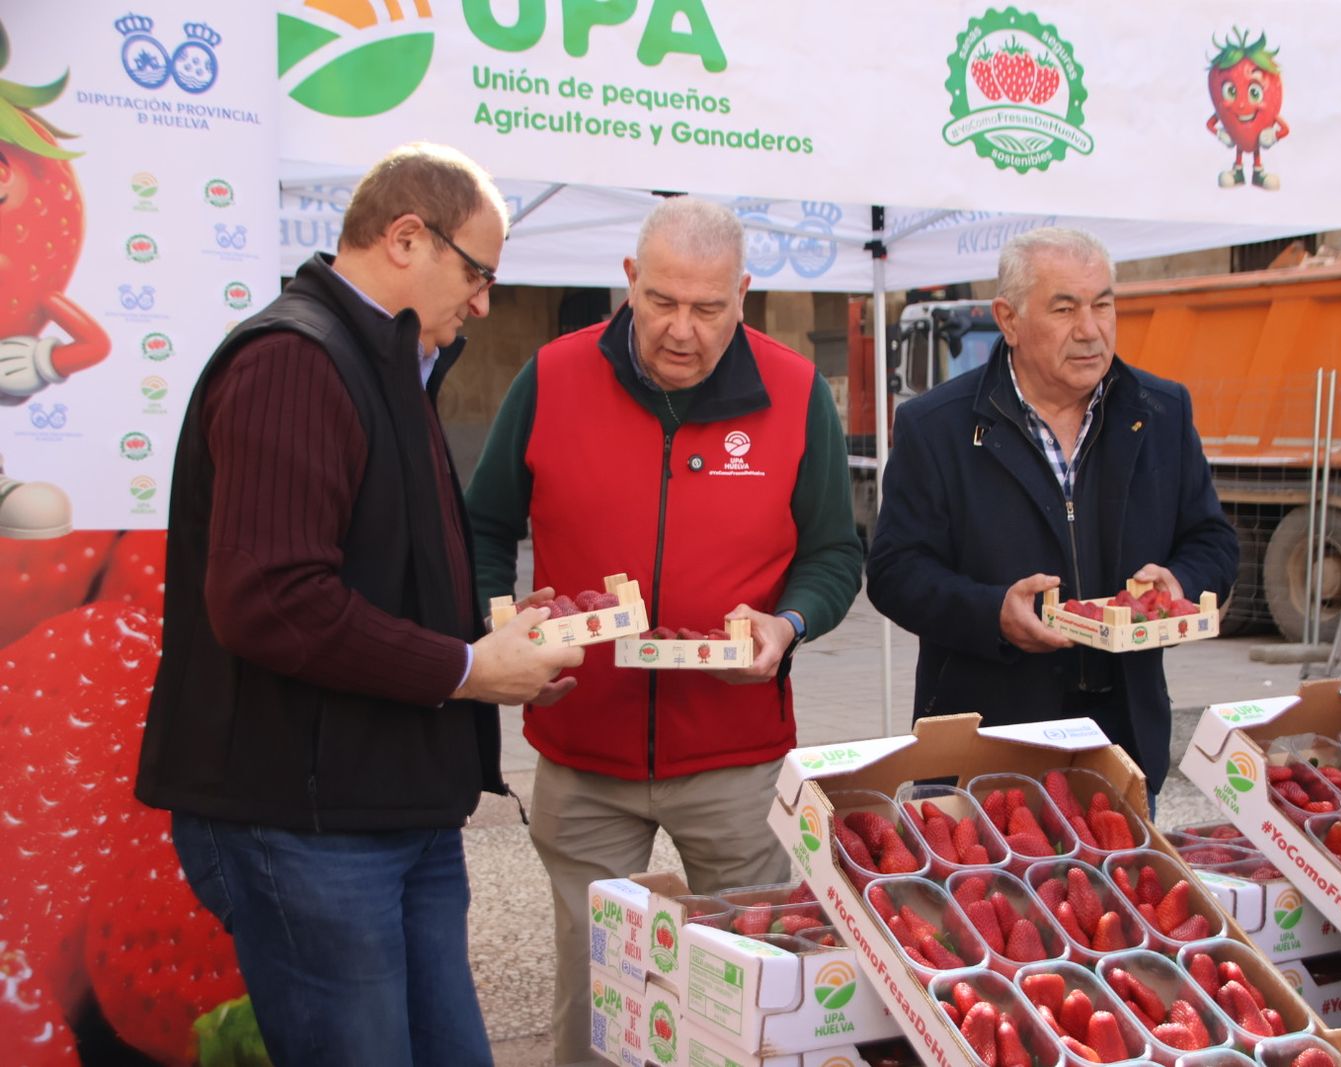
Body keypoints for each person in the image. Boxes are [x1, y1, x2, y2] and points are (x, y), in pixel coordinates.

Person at [135, 143, 583, 1067]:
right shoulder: (296, 360)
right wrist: (464, 669)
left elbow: (377, 574)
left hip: (392, 808)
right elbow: (272, 601)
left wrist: (494, 640)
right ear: (407, 237)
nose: (485, 302)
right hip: (306, 822)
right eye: (480, 273)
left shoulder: (390, 364)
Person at [466, 196, 861, 1061]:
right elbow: (482, 525)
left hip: (738, 759)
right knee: (596, 987)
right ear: (630, 282)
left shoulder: (794, 391)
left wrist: (788, 623)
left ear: (744, 297)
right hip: (582, 748)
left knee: (749, 985)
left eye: (709, 309)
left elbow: (835, 553)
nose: (681, 330)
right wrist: (497, 624)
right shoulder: (553, 375)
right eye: (662, 302)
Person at [866, 227, 1238, 798]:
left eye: (1103, 305)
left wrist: (1178, 583)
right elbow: (894, 573)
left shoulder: (1160, 412)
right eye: (1064, 308)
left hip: (1121, 746)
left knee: (1124, 889)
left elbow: (1212, 542)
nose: (1090, 330)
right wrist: (994, 613)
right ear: (1008, 319)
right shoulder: (935, 426)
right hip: (984, 750)